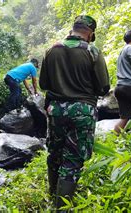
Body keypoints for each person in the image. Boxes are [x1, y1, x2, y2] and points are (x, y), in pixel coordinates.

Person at [39, 15, 110, 209]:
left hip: (56, 111)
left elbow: (44, 84)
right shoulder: (92, 52)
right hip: (82, 111)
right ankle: (62, 207)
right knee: (73, 160)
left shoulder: (51, 50)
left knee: (54, 154)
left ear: (73, 29)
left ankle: (53, 196)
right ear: (90, 33)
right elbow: (104, 87)